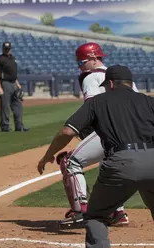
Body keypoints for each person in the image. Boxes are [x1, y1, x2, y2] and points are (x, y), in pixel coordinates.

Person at [37, 65, 154, 248]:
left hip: (121, 162)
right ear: (130, 83)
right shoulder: (149, 101)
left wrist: (48, 155)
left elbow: (67, 132)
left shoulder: (98, 102)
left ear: (110, 84)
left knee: (96, 215)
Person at [55, 42, 133, 227]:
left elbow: (93, 110)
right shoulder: (122, 78)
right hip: (133, 131)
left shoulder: (91, 78)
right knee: (108, 164)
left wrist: (87, 135)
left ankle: (79, 211)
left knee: (69, 161)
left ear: (92, 59)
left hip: (111, 129)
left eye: (81, 62)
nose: (80, 67)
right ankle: (117, 212)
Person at [0, 42, 29, 132]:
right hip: (5, 83)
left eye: (8, 48)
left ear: (10, 49)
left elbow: (14, 73)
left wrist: (17, 83)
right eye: (5, 49)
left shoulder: (12, 58)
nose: (7, 50)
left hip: (14, 83)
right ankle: (5, 126)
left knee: (18, 105)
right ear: (2, 49)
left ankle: (19, 125)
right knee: (5, 106)